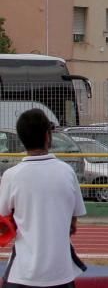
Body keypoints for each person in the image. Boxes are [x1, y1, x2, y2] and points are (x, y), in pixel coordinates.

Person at [0, 109, 86, 288]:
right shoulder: (67, 172)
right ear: (48, 136)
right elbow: (73, 222)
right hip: (61, 274)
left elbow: (3, 223)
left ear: (21, 139)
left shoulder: (11, 176)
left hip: (22, 274)